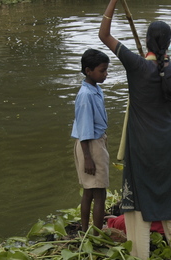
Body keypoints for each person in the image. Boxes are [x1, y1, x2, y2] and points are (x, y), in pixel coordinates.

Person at [100, 1, 171, 260]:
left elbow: (103, 35)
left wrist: (113, 2)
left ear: (147, 42)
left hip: (142, 144)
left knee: (138, 200)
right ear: (168, 43)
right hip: (168, 141)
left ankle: (141, 259)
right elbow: (160, 69)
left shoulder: (136, 66)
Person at [71, 49, 110, 232]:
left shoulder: (95, 88)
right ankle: (95, 232)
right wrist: (88, 157)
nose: (105, 74)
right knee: (98, 192)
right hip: (90, 145)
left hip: (95, 142)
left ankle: (88, 230)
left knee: (90, 191)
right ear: (88, 70)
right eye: (102, 70)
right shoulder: (85, 96)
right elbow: (85, 129)